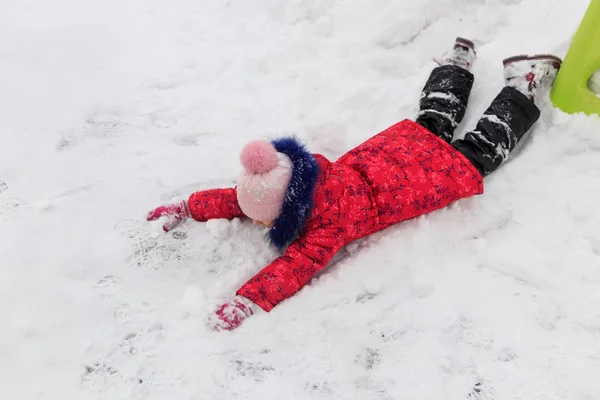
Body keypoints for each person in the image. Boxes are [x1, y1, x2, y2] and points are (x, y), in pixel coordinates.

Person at [146, 37, 562, 331]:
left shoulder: (327, 226)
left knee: (481, 149)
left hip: (429, 177)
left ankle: (522, 85)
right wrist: (190, 206)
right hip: (399, 150)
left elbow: (292, 269)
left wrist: (248, 300)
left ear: (287, 211)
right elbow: (239, 199)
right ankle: (455, 64)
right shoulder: (299, 174)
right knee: (433, 120)